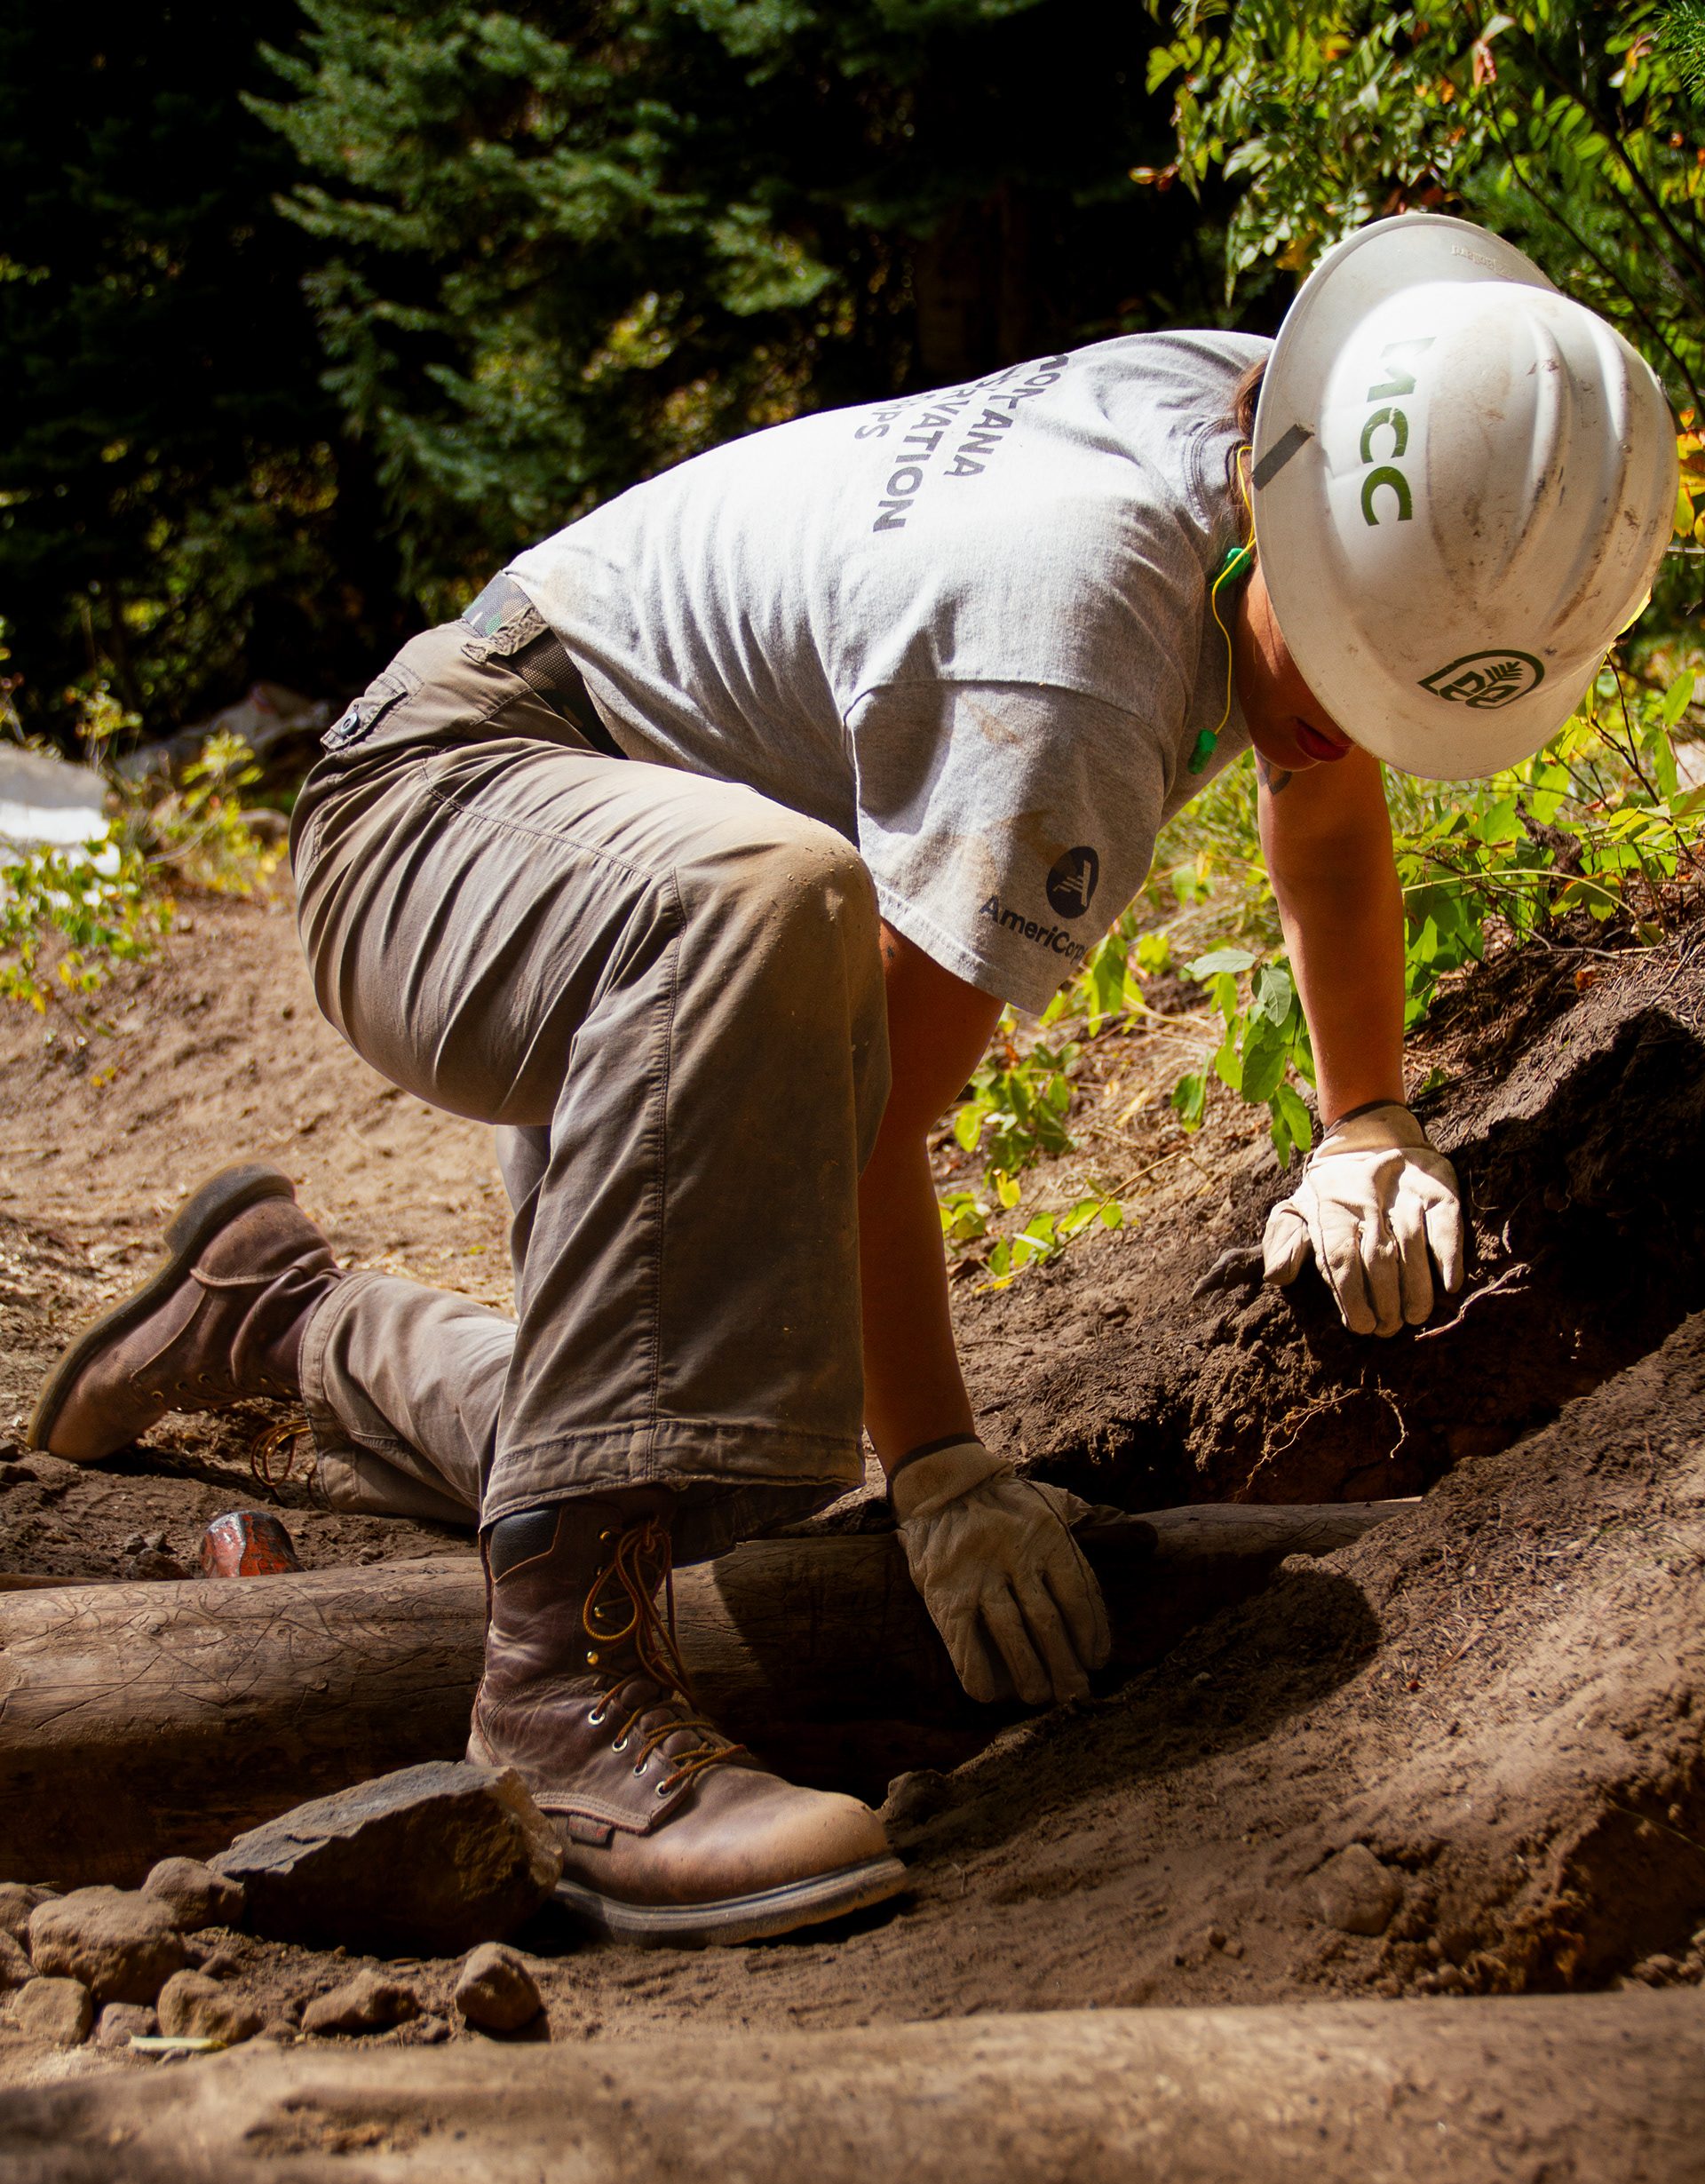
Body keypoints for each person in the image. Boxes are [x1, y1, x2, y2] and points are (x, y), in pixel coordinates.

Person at [29, 214, 1676, 1948]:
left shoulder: (1309, 435)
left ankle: (277, 1314)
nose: (1345, 721)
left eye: (1392, 697)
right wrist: (945, 1472)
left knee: (674, 1458)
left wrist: (1365, 1118)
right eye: (1334, 663)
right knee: (782, 914)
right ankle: (564, 1717)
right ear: (1290, 512)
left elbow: (1318, 785)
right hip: (451, 812)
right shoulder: (1076, 641)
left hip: (647, 899)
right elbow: (867, 1114)